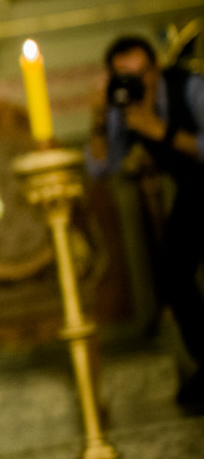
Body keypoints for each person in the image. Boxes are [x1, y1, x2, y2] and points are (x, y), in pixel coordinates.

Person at [86, 35, 204, 407]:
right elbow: (102, 167)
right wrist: (99, 117)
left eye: (143, 73)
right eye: (125, 76)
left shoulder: (191, 87)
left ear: (156, 70)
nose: (138, 82)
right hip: (195, 191)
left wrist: (160, 130)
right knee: (172, 271)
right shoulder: (125, 107)